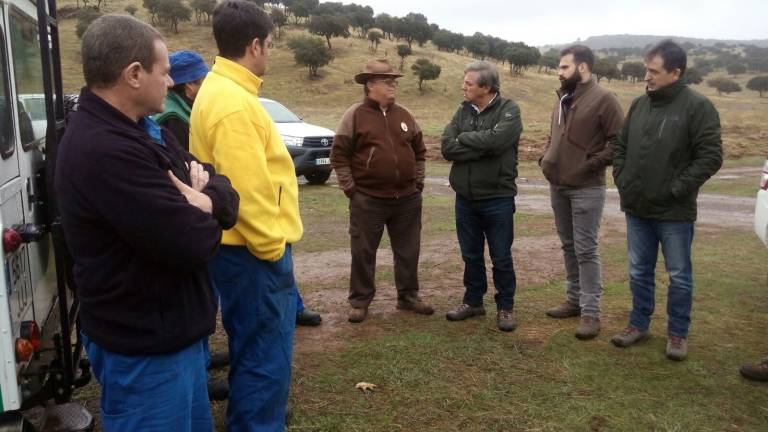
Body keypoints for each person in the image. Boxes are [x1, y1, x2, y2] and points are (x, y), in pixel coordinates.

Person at [55, 14, 238, 431]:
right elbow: (191, 242)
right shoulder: (105, 150)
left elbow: (217, 181)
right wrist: (210, 207)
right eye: (166, 72)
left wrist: (204, 199)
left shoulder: (143, 129)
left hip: (173, 341)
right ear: (134, 75)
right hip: (145, 356)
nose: (171, 83)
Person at [189, 1, 300, 430]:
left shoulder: (222, 90)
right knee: (265, 355)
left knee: (252, 350)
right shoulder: (234, 103)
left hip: (239, 251)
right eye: (269, 45)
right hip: (254, 253)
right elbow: (247, 193)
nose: (270, 53)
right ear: (255, 45)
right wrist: (272, 251)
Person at [611, 39, 722, 361]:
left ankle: (677, 334)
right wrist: (623, 179)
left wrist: (676, 188)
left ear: (675, 72)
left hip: (675, 211)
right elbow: (621, 147)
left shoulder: (698, 106)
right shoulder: (639, 105)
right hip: (637, 207)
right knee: (638, 271)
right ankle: (638, 324)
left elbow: (710, 156)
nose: (647, 76)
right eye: (646, 69)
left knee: (679, 275)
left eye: (653, 71)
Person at [331, 58, 433, 324]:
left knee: (409, 250)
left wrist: (418, 183)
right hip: (368, 200)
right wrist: (351, 189)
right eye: (387, 82)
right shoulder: (354, 115)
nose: (392, 86)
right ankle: (360, 301)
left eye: (394, 81)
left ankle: (408, 296)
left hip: (407, 199)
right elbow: (339, 155)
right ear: (370, 85)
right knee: (363, 251)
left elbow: (420, 152)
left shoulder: (405, 115)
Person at [539, 45, 624, 340]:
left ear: (583, 67)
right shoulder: (564, 97)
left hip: (587, 187)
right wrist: (545, 156)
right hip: (557, 184)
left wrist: (590, 165)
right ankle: (573, 300)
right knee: (567, 245)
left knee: (586, 249)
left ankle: (591, 312)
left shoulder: (605, 99)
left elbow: (618, 142)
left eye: (564, 67)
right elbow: (555, 135)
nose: (559, 72)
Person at [441, 61, 523, 332]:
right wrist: (478, 144)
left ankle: (505, 307)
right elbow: (447, 146)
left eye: (469, 83)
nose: (463, 86)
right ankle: (473, 301)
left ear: (486, 87)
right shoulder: (462, 110)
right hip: (465, 198)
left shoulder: (509, 110)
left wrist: (465, 139)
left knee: (501, 256)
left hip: (497, 198)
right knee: (471, 255)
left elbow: (498, 142)